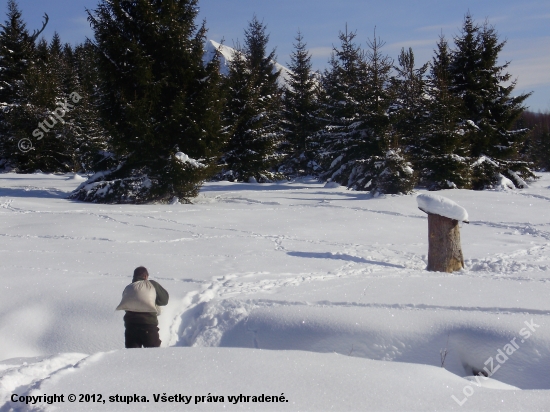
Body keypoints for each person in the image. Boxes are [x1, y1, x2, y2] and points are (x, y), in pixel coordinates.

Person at [116, 266, 169, 348]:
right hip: (148, 326)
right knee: (153, 355)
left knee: (133, 356)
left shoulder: (129, 287)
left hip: (130, 327)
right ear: (145, 276)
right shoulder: (151, 284)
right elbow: (164, 300)